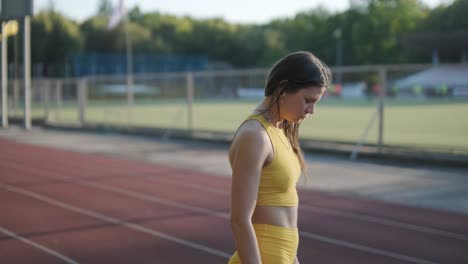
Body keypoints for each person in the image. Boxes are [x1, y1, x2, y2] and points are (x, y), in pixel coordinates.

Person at [228, 51, 332, 264]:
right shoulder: (255, 136)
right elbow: (240, 220)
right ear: (283, 88)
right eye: (308, 100)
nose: (311, 110)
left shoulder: (281, 129)